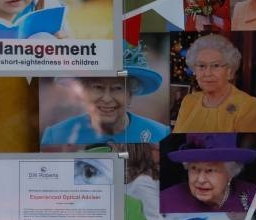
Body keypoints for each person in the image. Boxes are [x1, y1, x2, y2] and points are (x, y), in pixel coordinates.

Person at [41, 42, 170, 145]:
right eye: (98, 87)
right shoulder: (57, 136)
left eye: (117, 88)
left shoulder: (160, 134)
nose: (107, 98)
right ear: (83, 93)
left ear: (130, 94)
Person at [174, 33, 256, 132]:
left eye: (216, 65)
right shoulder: (189, 102)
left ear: (229, 71)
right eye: (201, 66)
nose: (207, 73)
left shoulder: (248, 105)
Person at [161, 133, 256, 213]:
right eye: (194, 168)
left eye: (210, 170)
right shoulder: (165, 201)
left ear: (230, 173)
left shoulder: (254, 195)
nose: (201, 180)